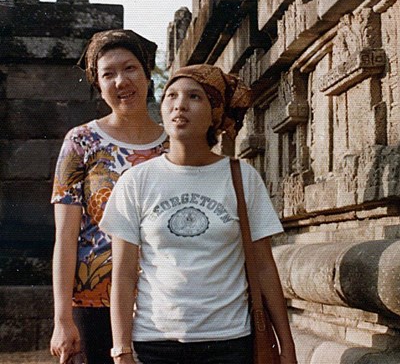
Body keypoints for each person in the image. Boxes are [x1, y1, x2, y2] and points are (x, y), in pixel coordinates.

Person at [100, 64, 298, 364]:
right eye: (171, 96)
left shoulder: (242, 178)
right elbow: (124, 275)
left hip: (229, 341)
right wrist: (121, 350)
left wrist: (287, 347)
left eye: (194, 97)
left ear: (214, 113)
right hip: (156, 342)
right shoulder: (136, 181)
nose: (179, 105)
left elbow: (264, 268)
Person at [49, 29, 168, 364]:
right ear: (97, 84)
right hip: (93, 303)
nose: (121, 82)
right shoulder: (81, 142)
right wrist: (62, 319)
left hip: (162, 299)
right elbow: (66, 237)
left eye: (129, 69)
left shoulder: (174, 144)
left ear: (147, 73)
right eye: (108, 74)